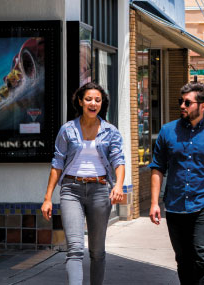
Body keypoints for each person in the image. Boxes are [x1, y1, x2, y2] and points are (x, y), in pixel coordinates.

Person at [149, 82, 204, 284]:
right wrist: (154, 203)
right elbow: (157, 168)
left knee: (203, 258)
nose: (182, 106)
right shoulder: (167, 131)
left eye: (187, 102)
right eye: (181, 101)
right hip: (175, 205)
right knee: (183, 260)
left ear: (202, 106)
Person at [41, 82, 125, 285]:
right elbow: (57, 162)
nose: (93, 103)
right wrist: (47, 198)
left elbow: (118, 160)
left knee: (97, 251)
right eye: (88, 99)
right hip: (71, 190)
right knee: (75, 249)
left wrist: (119, 185)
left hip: (99, 190)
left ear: (101, 103)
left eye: (97, 99)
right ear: (80, 101)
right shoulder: (67, 130)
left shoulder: (110, 131)